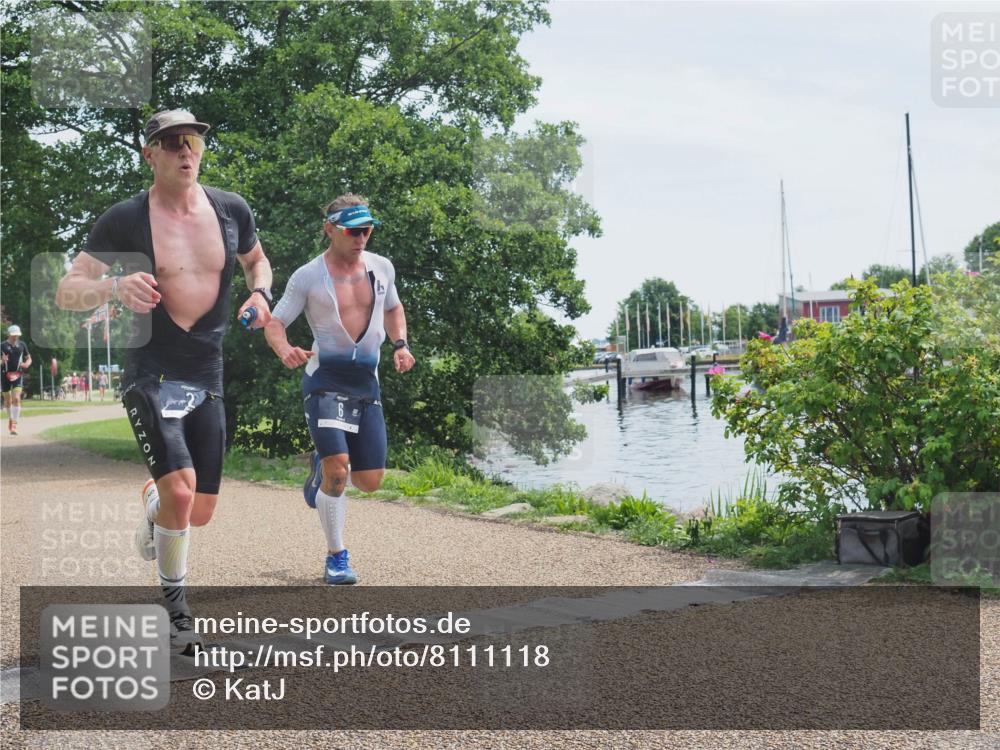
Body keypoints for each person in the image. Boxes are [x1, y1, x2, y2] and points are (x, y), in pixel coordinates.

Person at [56, 109, 273, 651]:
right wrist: (113, 287)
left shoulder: (230, 210)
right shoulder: (125, 219)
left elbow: (257, 263)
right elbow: (68, 289)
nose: (185, 150)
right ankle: (177, 614)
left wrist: (261, 295)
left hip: (207, 373)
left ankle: (154, 503)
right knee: (183, 490)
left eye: (193, 141)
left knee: (196, 512)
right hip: (149, 371)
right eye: (171, 142)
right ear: (149, 154)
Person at [265, 195, 414, 585]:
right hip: (325, 382)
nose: (361, 237)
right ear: (330, 229)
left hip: (367, 382)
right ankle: (337, 557)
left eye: (367, 229)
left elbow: (394, 309)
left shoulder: (382, 268)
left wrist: (401, 345)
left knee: (370, 481)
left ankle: (320, 466)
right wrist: (285, 351)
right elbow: (275, 323)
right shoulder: (308, 276)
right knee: (339, 469)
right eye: (353, 230)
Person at [2, 325, 32, 435]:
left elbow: (28, 357)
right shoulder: (2, 346)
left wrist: (27, 364)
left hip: (18, 374)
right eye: (14, 335)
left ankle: (14, 424)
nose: (16, 337)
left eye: (17, 335)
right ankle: (10, 418)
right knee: (8, 401)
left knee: (17, 398)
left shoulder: (22, 345)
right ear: (9, 334)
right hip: (5, 375)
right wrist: (2, 360)